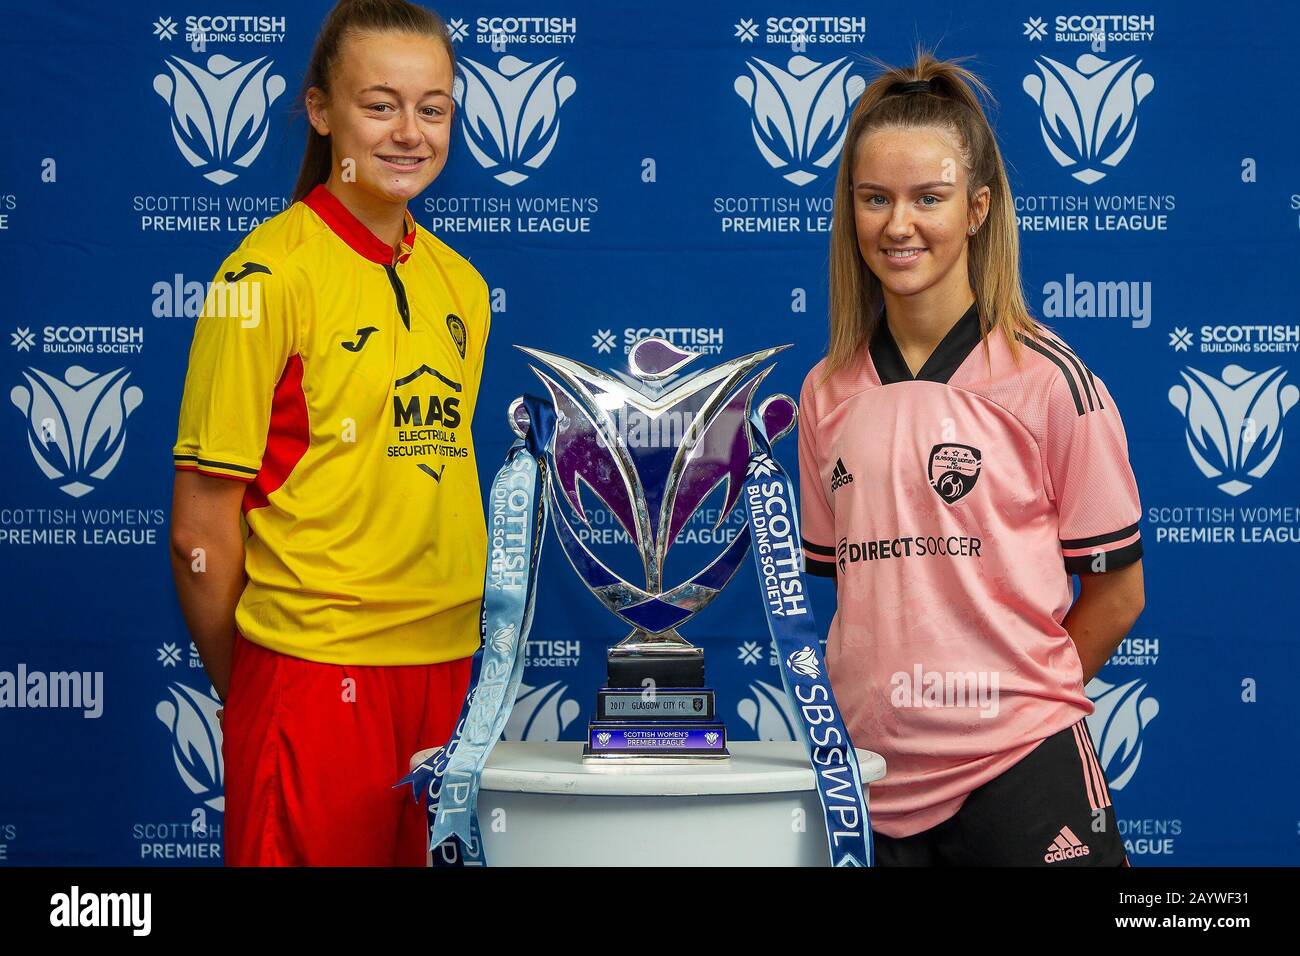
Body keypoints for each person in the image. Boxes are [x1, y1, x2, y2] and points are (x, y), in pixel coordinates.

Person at [798, 52, 1145, 866]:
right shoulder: (824, 394)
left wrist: (1013, 704)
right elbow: (859, 590)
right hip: (871, 779)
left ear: (979, 207)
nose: (898, 224)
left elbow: (1119, 595)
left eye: (929, 198)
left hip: (1022, 770)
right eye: (875, 198)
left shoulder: (1048, 380)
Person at [168, 0, 489, 866]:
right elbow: (199, 530)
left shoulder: (463, 284)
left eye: (434, 107)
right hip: (312, 674)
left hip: (450, 672)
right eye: (379, 104)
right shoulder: (260, 278)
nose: (410, 133)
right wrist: (265, 688)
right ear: (321, 112)